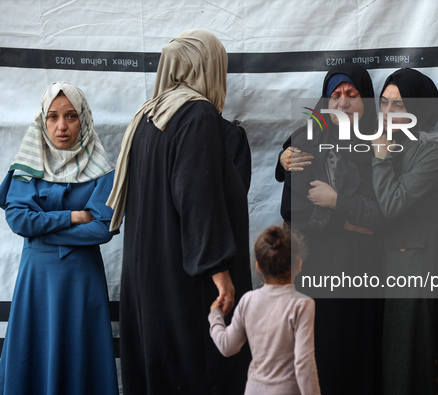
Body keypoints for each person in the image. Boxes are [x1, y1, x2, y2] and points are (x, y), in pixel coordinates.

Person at [106, 29, 251, 394]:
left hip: (149, 282)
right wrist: (220, 271)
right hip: (187, 286)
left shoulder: (148, 117)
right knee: (197, 373)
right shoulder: (196, 114)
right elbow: (196, 196)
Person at [0, 82, 118, 395]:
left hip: (81, 280)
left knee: (80, 354)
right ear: (42, 120)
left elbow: (102, 229)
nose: (61, 126)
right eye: (52, 117)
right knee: (34, 353)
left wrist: (42, 230)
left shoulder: (102, 170)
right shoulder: (27, 167)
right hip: (36, 281)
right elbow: (18, 219)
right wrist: (72, 216)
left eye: (71, 116)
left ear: (85, 120)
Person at [280, 63, 384, 395]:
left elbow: (383, 212)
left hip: (365, 270)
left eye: (352, 95)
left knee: (361, 356)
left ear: (365, 99)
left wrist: (336, 202)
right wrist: (345, 219)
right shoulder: (304, 141)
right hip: (317, 268)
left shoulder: (381, 143)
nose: (343, 103)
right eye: (335, 95)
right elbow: (294, 209)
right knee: (319, 355)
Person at [371, 68, 438, 395]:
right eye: (384, 103)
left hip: (412, 269)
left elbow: (391, 203)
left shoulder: (433, 154)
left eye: (399, 105)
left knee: (406, 364)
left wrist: (380, 159)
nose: (388, 112)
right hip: (376, 265)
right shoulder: (382, 143)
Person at [208, 225, 320, 395]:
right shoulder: (302, 304)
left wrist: (215, 316)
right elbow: (304, 362)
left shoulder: (248, 300)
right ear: (299, 264)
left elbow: (227, 346)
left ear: (258, 267)